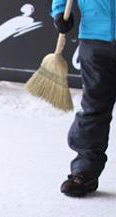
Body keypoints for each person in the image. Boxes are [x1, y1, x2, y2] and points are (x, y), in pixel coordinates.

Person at [52, 0, 116, 197]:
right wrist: (60, 12)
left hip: (94, 40)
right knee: (94, 107)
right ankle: (84, 172)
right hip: (94, 39)